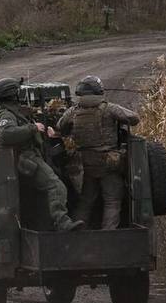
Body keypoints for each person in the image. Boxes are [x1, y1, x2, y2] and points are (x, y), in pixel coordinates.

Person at [0, 78, 84, 233]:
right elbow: (6, 134)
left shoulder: (14, 111)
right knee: (56, 186)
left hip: (33, 156)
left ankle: (53, 224)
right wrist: (33, 128)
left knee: (59, 185)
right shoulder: (6, 114)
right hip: (26, 158)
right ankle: (63, 223)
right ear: (12, 94)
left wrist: (43, 130)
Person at [56, 76, 139, 230]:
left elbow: (60, 126)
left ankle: (77, 232)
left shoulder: (73, 111)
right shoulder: (109, 108)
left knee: (86, 201)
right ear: (98, 91)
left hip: (86, 165)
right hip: (108, 163)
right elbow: (134, 118)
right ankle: (108, 233)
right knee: (112, 200)